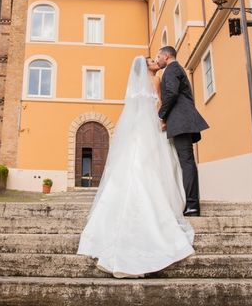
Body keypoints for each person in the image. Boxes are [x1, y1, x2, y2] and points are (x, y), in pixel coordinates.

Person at [77, 56, 195, 278]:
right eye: (151, 60)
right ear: (147, 67)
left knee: (131, 168)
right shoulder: (156, 80)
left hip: (135, 133)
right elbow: (160, 105)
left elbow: (131, 111)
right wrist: (162, 121)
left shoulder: (133, 87)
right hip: (150, 130)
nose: (154, 61)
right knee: (152, 167)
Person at [156, 46, 209, 217]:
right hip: (183, 121)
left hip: (181, 122)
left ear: (167, 55)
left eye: (159, 56)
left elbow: (171, 93)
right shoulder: (176, 69)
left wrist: (161, 115)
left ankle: (192, 205)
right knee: (187, 162)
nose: (157, 60)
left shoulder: (171, 70)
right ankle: (192, 203)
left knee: (186, 162)